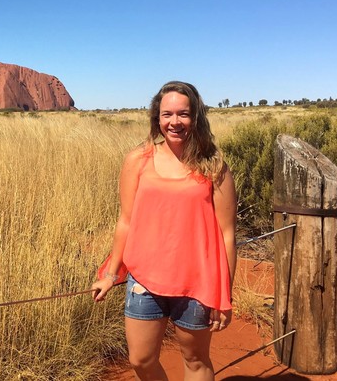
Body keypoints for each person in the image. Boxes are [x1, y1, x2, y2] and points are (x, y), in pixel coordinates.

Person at [92, 81, 237, 381]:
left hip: (198, 283)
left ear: (196, 116)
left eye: (183, 114)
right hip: (145, 279)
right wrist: (110, 273)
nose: (175, 122)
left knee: (195, 360)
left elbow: (227, 235)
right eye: (167, 114)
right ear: (156, 118)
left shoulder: (214, 166)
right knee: (141, 359)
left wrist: (225, 295)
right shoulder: (138, 160)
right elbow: (126, 221)